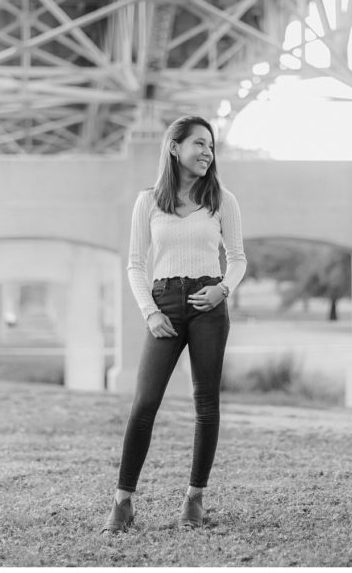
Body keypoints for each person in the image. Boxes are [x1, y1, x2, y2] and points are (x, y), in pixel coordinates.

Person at [102, 115, 246, 533]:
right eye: (199, 143)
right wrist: (151, 311)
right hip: (164, 302)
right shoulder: (148, 201)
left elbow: (237, 258)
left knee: (205, 404)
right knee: (144, 404)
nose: (207, 152)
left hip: (208, 304)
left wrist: (223, 289)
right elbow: (134, 265)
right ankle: (122, 502)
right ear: (174, 147)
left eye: (212, 146)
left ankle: (194, 499)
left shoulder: (222, 200)